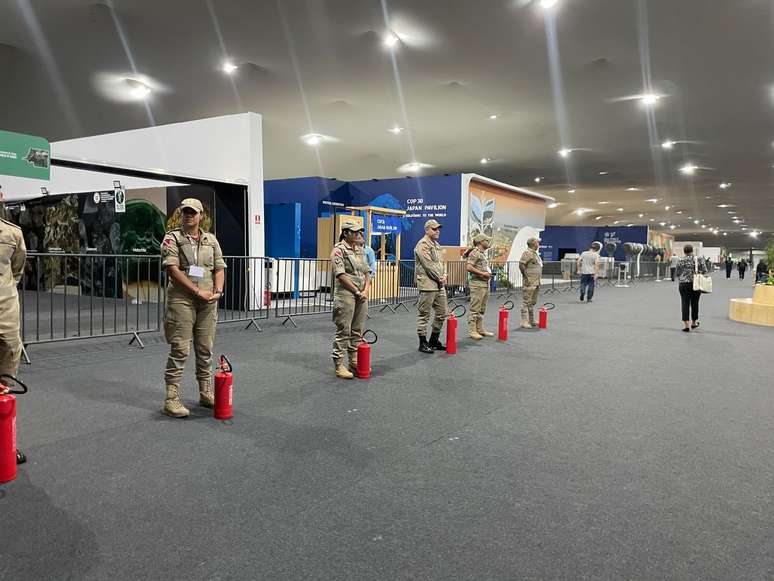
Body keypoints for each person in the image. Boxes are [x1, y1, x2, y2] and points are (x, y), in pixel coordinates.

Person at [160, 198, 226, 418]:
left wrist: (217, 291)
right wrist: (197, 292)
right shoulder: (172, 238)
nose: (189, 215)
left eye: (193, 212)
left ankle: (205, 391)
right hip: (182, 300)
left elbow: (219, 267)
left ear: (200, 216)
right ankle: (171, 398)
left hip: (208, 301)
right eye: (185, 211)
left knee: (205, 348)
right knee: (180, 349)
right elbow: (172, 269)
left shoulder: (211, 240)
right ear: (181, 214)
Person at [0, 216, 27, 464]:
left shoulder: (11, 233)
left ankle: (5, 445)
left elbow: (16, 270)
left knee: (6, 378)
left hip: (5, 311)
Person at [330, 219, 370, 379]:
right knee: (343, 330)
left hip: (361, 293)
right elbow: (341, 275)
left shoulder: (360, 249)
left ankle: (353, 360)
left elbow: (367, 271)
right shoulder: (338, 251)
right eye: (354, 232)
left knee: (357, 331)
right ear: (345, 233)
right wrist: (357, 291)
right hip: (346, 294)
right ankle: (339, 364)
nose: (358, 234)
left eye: (359, 231)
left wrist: (366, 290)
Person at [415, 219, 448, 353]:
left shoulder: (437, 245)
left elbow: (442, 263)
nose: (437, 231)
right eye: (434, 229)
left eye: (438, 228)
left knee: (442, 313)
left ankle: (434, 340)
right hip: (428, 284)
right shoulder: (422, 245)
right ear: (427, 230)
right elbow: (428, 265)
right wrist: (440, 278)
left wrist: (445, 275)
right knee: (424, 314)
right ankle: (422, 343)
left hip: (439, 284)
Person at [465, 233, 493, 340]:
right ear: (481, 241)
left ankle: (480, 329)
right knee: (475, 308)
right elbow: (469, 267)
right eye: (487, 240)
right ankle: (472, 330)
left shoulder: (482, 254)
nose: (488, 242)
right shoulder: (475, 253)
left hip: (484, 284)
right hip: (477, 284)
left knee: (482, 308)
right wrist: (482, 273)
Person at [675, 244, 707, 332]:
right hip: (696, 283)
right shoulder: (699, 259)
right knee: (695, 303)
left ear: (684, 251)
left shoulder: (680, 260)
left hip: (684, 284)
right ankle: (694, 323)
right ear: (692, 250)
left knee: (685, 303)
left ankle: (686, 325)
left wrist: (683, 276)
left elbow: (677, 272)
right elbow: (704, 270)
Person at [519, 237, 543, 329]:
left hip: (536, 281)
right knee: (526, 301)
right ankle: (524, 321)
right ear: (533, 243)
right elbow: (521, 265)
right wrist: (526, 277)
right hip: (530, 281)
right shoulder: (527, 253)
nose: (538, 244)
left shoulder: (534, 253)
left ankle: (531, 320)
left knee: (532, 302)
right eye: (537, 242)